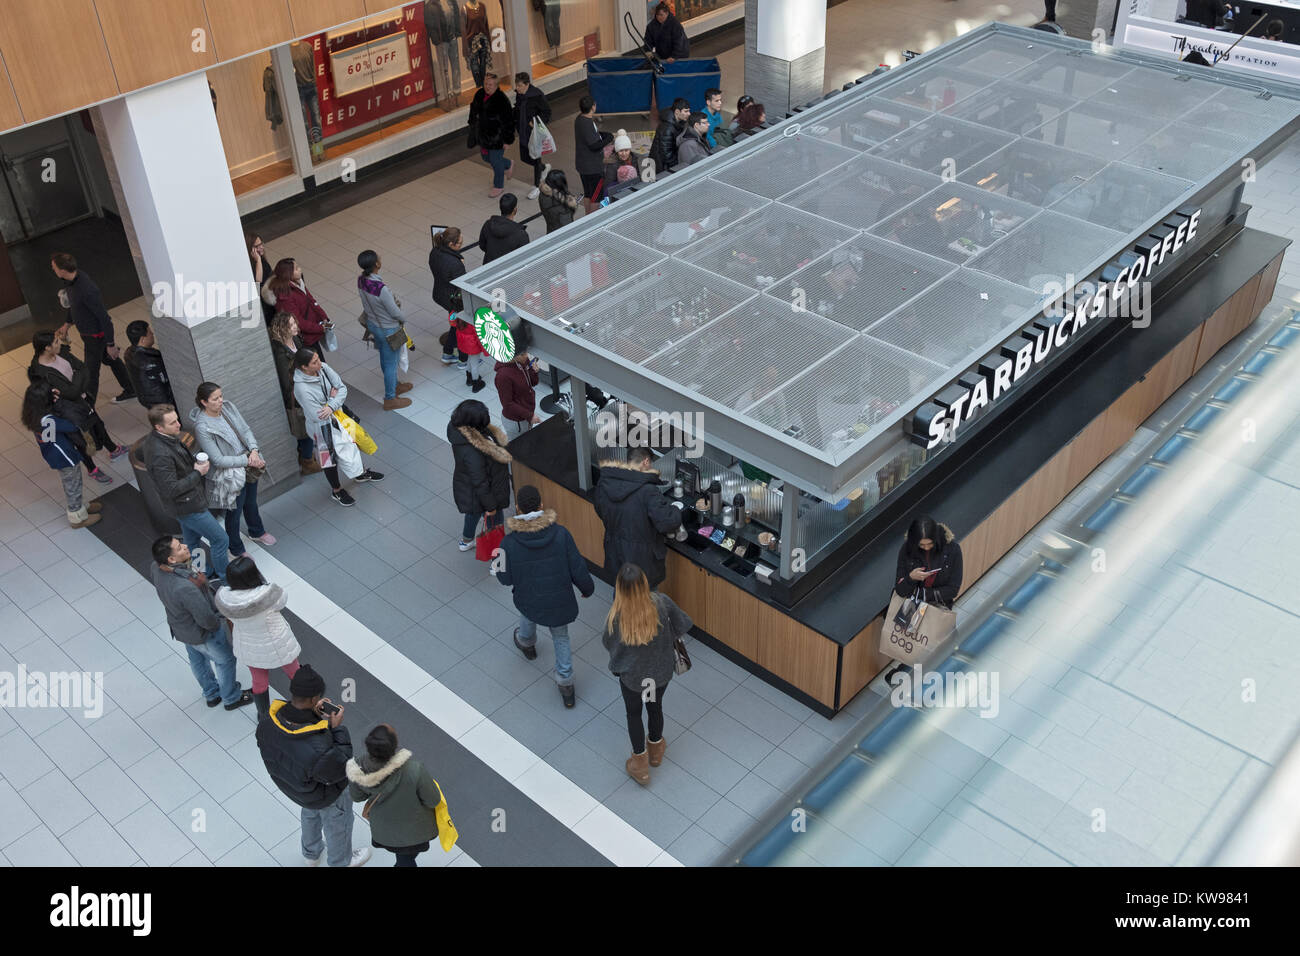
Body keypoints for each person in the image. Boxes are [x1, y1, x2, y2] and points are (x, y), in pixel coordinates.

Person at [256, 663, 371, 867]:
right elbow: (340, 766)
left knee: (309, 813)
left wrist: (316, 716)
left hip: (297, 788)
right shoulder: (319, 747)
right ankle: (340, 861)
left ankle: (311, 853)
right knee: (338, 824)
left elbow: (297, 738)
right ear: (313, 699)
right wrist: (337, 729)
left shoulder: (266, 722)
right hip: (324, 793)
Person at [495, 484, 594, 708]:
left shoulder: (508, 543)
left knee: (528, 612)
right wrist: (587, 589)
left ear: (518, 508)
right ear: (541, 505)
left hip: (528, 597)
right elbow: (577, 566)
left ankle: (526, 642)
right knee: (561, 637)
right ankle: (566, 683)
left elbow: (504, 578)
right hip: (559, 601)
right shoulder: (561, 534)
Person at [602, 563, 692, 784]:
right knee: (655, 708)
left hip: (633, 679)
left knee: (634, 715)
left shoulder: (616, 616)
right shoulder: (661, 603)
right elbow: (683, 624)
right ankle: (656, 750)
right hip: (658, 675)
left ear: (620, 589)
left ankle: (640, 765)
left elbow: (608, 642)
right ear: (644, 583)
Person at [151, 535, 254, 710]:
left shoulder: (156, 568)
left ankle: (211, 694)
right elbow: (206, 618)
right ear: (171, 559)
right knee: (226, 660)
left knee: (197, 660)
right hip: (202, 633)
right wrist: (217, 625)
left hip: (181, 628)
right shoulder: (185, 587)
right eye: (179, 547)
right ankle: (231, 697)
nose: (185, 546)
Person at [144, 404, 231, 581]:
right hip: (188, 506)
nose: (178, 425)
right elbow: (171, 489)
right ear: (159, 427)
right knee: (220, 539)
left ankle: (202, 572)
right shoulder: (160, 454)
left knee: (191, 541)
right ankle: (226, 578)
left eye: (177, 419)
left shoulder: (162, 439)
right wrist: (198, 472)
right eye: (172, 423)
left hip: (183, 505)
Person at [27, 329, 126, 482]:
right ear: (46, 348)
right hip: (68, 410)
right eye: (55, 342)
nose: (59, 343)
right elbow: (72, 391)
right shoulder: (41, 372)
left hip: (83, 400)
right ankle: (92, 469)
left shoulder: (60, 353)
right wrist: (78, 376)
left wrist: (78, 379)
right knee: (81, 440)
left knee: (98, 424)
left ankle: (113, 449)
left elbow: (82, 368)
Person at [190, 382, 275, 559]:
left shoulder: (228, 407)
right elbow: (218, 460)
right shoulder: (202, 426)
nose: (221, 400)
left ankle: (256, 531)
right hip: (230, 474)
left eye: (221, 396)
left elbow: (245, 430)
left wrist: (254, 450)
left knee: (251, 501)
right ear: (204, 402)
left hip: (249, 464)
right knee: (233, 513)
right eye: (215, 399)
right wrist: (248, 460)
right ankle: (235, 548)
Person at [293, 349, 384, 506]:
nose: (319, 363)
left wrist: (331, 404)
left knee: (354, 442)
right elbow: (318, 415)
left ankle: (359, 473)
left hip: (340, 416)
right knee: (329, 460)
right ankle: (336, 490)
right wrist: (333, 399)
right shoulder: (301, 388)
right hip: (321, 429)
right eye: (314, 362)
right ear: (304, 367)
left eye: (317, 358)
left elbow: (342, 388)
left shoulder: (324, 368)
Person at [214, 555, 300, 717]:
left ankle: (263, 715)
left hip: (248, 646)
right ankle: (304, 707)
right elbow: (282, 601)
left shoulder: (225, 598)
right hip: (276, 642)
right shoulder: (267, 594)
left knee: (259, 681)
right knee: (295, 673)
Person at [346, 724, 444, 867]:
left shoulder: (358, 768)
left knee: (404, 856)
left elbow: (357, 797)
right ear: (394, 746)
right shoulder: (414, 770)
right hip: (415, 831)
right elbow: (433, 800)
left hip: (384, 830)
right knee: (406, 859)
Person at [49, 252, 135, 406]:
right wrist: (67, 324)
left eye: (54, 267)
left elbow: (105, 319)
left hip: (95, 337)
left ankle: (88, 408)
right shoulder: (69, 281)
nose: (52, 269)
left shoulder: (87, 290)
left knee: (90, 373)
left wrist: (110, 344)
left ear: (62, 270)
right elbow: (74, 306)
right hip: (88, 334)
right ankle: (130, 389)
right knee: (112, 360)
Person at [593, 446, 681, 589]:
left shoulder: (606, 483)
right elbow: (667, 522)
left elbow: (599, 509)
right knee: (648, 601)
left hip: (615, 553)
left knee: (621, 591)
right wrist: (676, 509)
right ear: (646, 461)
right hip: (642, 561)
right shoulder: (648, 491)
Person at [21, 382, 103, 528]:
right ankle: (77, 516)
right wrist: (60, 402)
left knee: (72, 482)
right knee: (73, 483)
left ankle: (81, 505)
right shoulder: (50, 420)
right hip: (64, 455)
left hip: (54, 453)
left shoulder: (35, 415)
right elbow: (71, 425)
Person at [447, 399, 511, 551]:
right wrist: (491, 506)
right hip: (486, 494)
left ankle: (466, 541)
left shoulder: (458, 430)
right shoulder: (473, 452)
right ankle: (497, 561)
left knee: (472, 514)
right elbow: (480, 481)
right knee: (495, 526)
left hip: (469, 491)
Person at [357, 250, 414, 410]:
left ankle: (395, 385)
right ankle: (390, 398)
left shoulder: (361, 280)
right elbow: (394, 311)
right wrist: (403, 319)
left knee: (385, 358)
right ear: (376, 264)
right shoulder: (381, 289)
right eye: (379, 258)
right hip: (389, 329)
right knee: (391, 363)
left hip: (374, 325)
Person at [270, 312, 319, 474]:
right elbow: (286, 383)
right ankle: (307, 460)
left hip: (305, 390)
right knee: (305, 430)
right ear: (284, 329)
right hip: (297, 397)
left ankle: (305, 456)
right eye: (291, 325)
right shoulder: (281, 354)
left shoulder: (296, 340)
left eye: (294, 323)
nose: (296, 327)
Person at [893, 515, 964, 608]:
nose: (926, 548)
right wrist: (911, 578)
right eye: (921, 545)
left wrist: (920, 593)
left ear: (936, 538)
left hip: (939, 606)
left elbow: (953, 589)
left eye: (930, 543)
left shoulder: (952, 549)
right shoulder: (906, 550)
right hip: (910, 606)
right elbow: (900, 590)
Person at [267, 258, 331, 356]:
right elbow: (298, 321)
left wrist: (324, 317)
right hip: (304, 338)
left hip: (312, 330)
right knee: (315, 362)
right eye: (296, 269)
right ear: (288, 274)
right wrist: (319, 328)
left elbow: (312, 301)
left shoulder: (298, 283)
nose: (300, 270)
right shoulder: (285, 297)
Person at [468, 71, 515, 198]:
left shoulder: (502, 100)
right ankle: (508, 164)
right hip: (483, 136)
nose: (487, 86)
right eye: (486, 83)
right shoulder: (479, 94)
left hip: (497, 138)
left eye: (490, 84)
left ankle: (498, 186)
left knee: (495, 161)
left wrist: (507, 141)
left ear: (496, 85)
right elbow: (473, 110)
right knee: (485, 158)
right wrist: (472, 123)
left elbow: (509, 121)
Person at [430, 228, 468, 367]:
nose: (461, 245)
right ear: (451, 244)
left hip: (440, 295)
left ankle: (447, 353)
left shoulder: (434, 252)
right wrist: (462, 265)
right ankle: (463, 360)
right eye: (460, 243)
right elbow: (461, 284)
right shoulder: (455, 263)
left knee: (455, 323)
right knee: (463, 326)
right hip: (455, 300)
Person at [513, 71, 552, 200]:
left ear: (527, 84)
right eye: (516, 85)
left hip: (534, 132)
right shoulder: (520, 96)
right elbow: (518, 110)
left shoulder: (537, 95)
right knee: (524, 157)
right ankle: (543, 167)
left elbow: (547, 112)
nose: (517, 88)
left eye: (519, 85)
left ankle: (537, 186)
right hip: (523, 132)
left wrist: (535, 123)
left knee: (535, 158)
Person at [122, 320, 175, 408]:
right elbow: (166, 380)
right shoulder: (149, 362)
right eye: (150, 333)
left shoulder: (129, 353)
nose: (152, 334)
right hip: (163, 402)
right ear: (143, 339)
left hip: (147, 400)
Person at [574, 95, 611, 212]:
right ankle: (592, 219)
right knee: (596, 196)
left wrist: (602, 134)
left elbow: (591, 135)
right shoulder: (587, 123)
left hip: (582, 165)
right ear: (593, 107)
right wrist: (608, 139)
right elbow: (594, 146)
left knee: (588, 193)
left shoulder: (579, 119)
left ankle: (587, 215)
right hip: (593, 168)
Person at [494, 349, 540, 438]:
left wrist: (534, 372)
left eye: (526, 352)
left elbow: (532, 383)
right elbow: (507, 404)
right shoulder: (503, 376)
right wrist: (530, 416)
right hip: (516, 422)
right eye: (523, 354)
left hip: (527, 413)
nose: (526, 356)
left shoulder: (523, 361)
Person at [479, 192, 529, 264]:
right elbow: (523, 257)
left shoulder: (488, 224)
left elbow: (482, 245)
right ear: (515, 210)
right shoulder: (521, 234)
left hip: (489, 266)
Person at [452, 303, 490, 392]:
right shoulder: (473, 324)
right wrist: (486, 351)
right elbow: (479, 339)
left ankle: (469, 378)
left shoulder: (459, 319)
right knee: (474, 365)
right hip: (473, 347)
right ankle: (476, 383)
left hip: (465, 346)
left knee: (470, 360)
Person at [649, 98, 691, 173]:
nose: (689, 113)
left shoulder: (680, 122)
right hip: (661, 167)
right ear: (677, 112)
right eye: (686, 111)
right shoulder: (667, 129)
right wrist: (678, 166)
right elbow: (666, 156)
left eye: (689, 111)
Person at [537, 165, 581, 233]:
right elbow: (567, 226)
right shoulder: (563, 207)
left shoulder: (542, 194)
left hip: (550, 229)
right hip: (561, 235)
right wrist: (572, 205)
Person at [248, 234, 276, 323]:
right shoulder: (253, 265)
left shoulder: (262, 260)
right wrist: (258, 260)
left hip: (270, 298)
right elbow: (258, 282)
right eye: (257, 246)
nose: (261, 247)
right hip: (263, 306)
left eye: (261, 244)